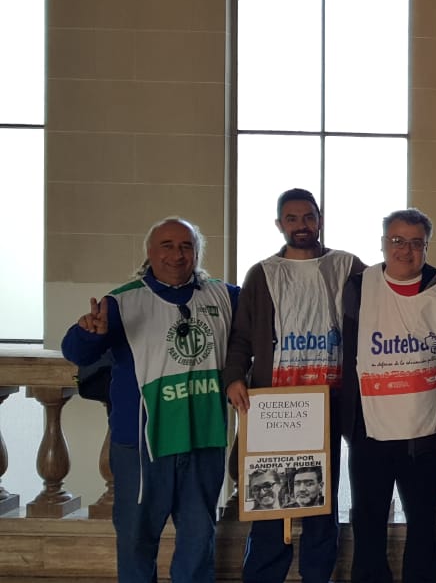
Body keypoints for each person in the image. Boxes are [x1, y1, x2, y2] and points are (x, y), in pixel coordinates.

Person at [61, 217, 238, 583]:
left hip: (202, 439)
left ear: (197, 252)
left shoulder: (224, 295)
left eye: (186, 246)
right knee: (136, 540)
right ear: (150, 252)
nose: (177, 255)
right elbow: (76, 352)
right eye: (167, 246)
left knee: (198, 540)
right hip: (143, 445)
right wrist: (89, 334)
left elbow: (260, 329)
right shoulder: (122, 302)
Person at [222, 188, 364, 583]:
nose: (301, 225)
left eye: (308, 217)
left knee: (321, 500)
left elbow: (389, 291)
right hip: (275, 403)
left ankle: (318, 575)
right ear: (279, 224)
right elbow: (242, 336)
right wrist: (234, 376)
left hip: (328, 402)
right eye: (292, 218)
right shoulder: (262, 273)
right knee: (269, 499)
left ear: (319, 219)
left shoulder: (346, 266)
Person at [339, 208, 436, 583]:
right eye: (397, 241)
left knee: (424, 528)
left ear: (427, 247)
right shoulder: (358, 287)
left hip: (426, 432)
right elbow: (348, 354)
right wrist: (348, 422)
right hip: (369, 429)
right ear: (383, 243)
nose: (405, 250)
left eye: (416, 243)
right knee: (368, 525)